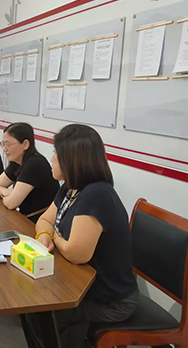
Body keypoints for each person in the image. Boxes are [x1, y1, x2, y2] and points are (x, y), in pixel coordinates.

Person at [22, 124, 138, 348]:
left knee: (42, 311)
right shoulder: (70, 187)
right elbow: (44, 220)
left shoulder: (96, 194)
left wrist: (54, 237)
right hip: (83, 284)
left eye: (56, 154)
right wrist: (45, 234)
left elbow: (76, 254)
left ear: (72, 160)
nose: (52, 159)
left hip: (110, 300)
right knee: (31, 302)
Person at [0, 122, 59, 222]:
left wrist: (7, 196)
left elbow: (11, 203)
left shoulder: (34, 163)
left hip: (39, 222)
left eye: (8, 144)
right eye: (3, 144)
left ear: (25, 144)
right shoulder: (17, 162)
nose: (4, 149)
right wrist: (5, 192)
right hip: (26, 217)